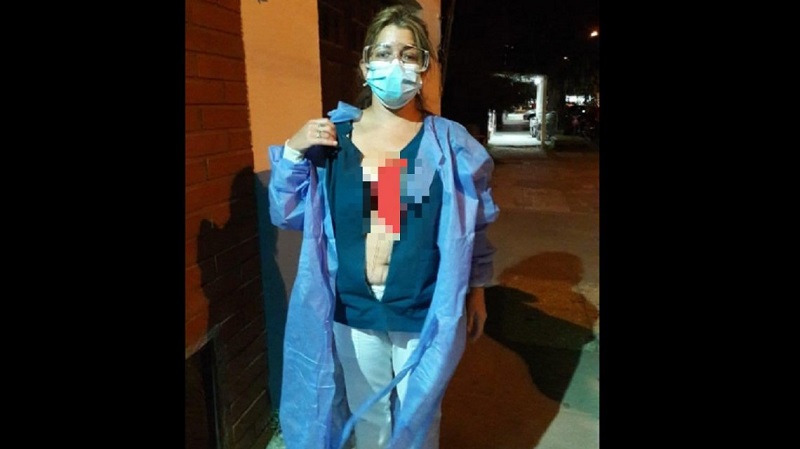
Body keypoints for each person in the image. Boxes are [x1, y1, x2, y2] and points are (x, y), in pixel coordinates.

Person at [267, 5, 499, 449]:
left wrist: (477, 290)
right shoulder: (333, 140)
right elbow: (288, 211)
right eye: (385, 52)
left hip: (423, 308)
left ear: (424, 68)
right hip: (356, 311)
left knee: (419, 418)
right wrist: (294, 151)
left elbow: (475, 225)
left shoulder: (446, 143)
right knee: (370, 417)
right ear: (365, 64)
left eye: (409, 55)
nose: (396, 65)